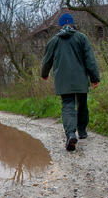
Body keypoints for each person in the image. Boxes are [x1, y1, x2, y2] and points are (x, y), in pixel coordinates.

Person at [41, 13, 100, 151]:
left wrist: (44, 74)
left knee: (68, 106)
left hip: (63, 81)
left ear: (60, 26)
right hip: (80, 79)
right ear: (73, 24)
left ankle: (71, 134)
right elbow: (89, 59)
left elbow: (46, 60)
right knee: (82, 104)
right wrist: (94, 78)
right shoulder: (81, 38)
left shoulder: (54, 41)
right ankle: (83, 132)